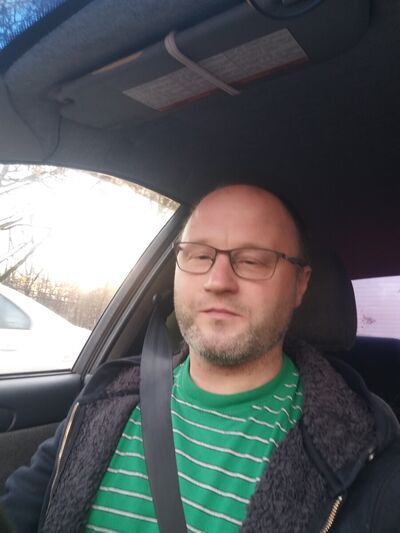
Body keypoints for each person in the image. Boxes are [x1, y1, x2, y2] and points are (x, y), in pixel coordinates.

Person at [1, 184, 400, 532]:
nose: (217, 281)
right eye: (197, 255)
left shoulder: (363, 453)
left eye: (253, 260)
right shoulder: (105, 398)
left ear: (300, 285)